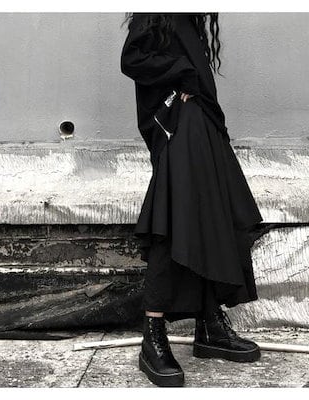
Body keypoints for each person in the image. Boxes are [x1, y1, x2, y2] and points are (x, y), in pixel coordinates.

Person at [120, 12, 264, 387]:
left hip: (202, 121)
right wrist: (181, 71)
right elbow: (131, 59)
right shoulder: (156, 11)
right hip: (178, 124)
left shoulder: (187, 16)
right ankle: (152, 336)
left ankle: (210, 323)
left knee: (216, 214)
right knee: (173, 215)